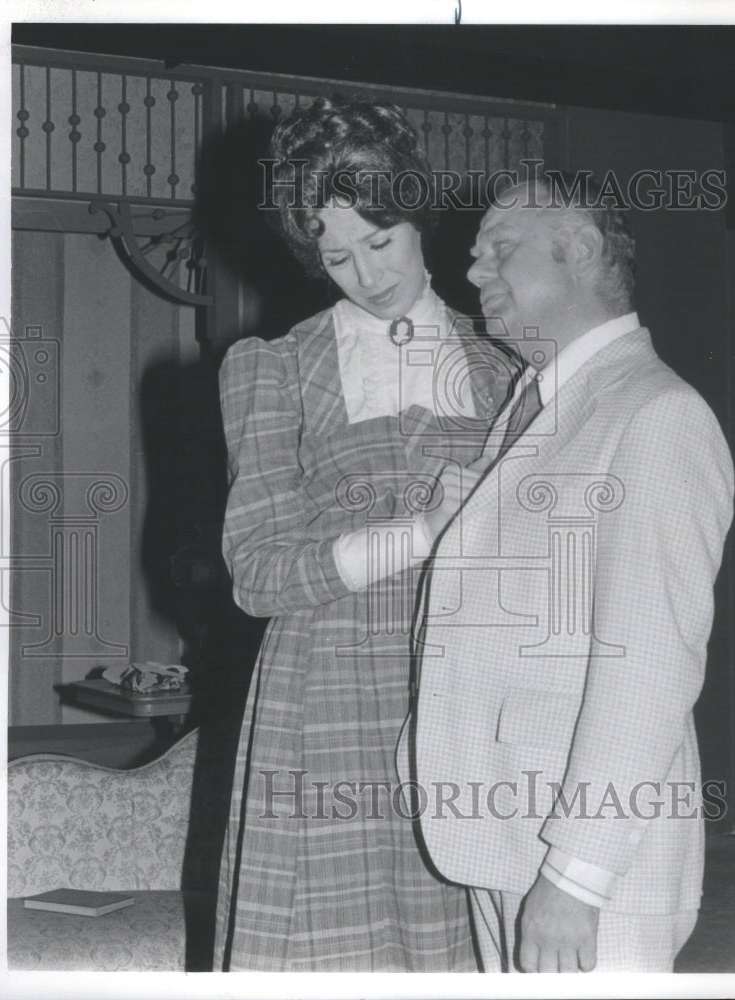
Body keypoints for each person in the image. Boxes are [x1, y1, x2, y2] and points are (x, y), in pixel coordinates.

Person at [213, 97, 516, 971]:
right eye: (335, 256)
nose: (366, 275)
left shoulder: (503, 368)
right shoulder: (275, 367)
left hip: (466, 697)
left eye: (379, 242)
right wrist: (422, 531)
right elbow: (258, 574)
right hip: (327, 698)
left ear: (417, 213)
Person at [410, 174, 735, 972]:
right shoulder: (539, 402)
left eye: (501, 250)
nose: (475, 270)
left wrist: (577, 874)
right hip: (504, 837)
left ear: (582, 250)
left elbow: (650, 668)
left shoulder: (655, 415)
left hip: (586, 869)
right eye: (477, 254)